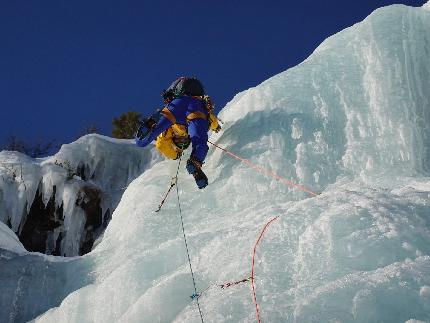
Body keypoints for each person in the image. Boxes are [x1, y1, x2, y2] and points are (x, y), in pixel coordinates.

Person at [135, 77, 220, 189]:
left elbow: (161, 144)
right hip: (193, 106)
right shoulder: (197, 115)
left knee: (199, 140)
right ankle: (195, 161)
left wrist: (175, 155)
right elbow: (212, 122)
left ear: (174, 139)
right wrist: (216, 127)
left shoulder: (169, 131)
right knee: (199, 140)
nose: (182, 140)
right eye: (184, 141)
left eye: (179, 142)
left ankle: (196, 161)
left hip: (178, 106)